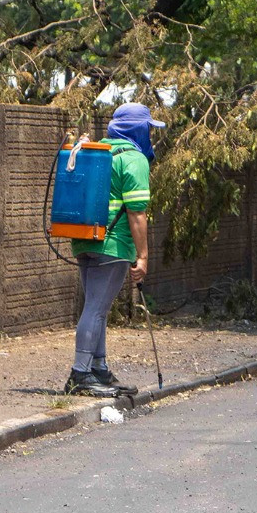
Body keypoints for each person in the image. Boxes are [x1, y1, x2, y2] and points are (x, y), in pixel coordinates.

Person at [66, 102, 162, 397]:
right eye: (148, 128)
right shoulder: (133, 159)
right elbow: (137, 214)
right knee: (95, 309)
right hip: (113, 243)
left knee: (98, 307)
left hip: (84, 237)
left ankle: (99, 369)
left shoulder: (97, 150)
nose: (150, 134)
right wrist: (143, 256)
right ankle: (79, 375)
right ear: (137, 129)